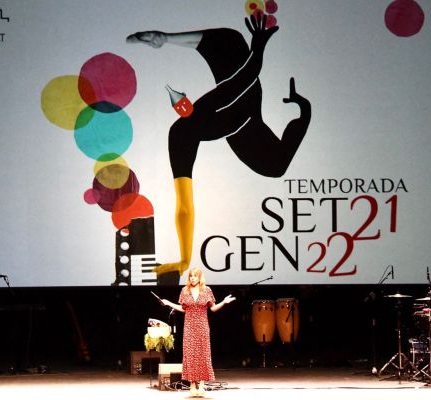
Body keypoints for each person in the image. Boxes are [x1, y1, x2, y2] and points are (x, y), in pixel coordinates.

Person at [127, 14, 312, 279]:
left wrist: (166, 38)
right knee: (276, 167)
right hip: (242, 122)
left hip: (244, 107)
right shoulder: (181, 133)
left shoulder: (205, 110)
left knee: (230, 40)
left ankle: (161, 38)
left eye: (182, 103)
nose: (183, 104)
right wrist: (184, 258)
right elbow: (184, 206)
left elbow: (249, 72)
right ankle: (303, 112)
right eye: (181, 105)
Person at [160, 267, 236, 397]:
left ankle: (201, 384)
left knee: (202, 354)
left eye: (195, 276)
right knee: (190, 355)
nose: (192, 278)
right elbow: (183, 308)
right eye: (191, 276)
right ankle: (192, 384)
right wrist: (169, 303)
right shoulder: (185, 291)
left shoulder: (207, 290)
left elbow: (213, 309)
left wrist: (224, 302)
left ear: (200, 277)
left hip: (202, 327)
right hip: (189, 326)